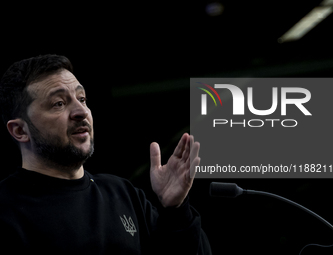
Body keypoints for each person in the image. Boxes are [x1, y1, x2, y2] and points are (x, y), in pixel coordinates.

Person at [0, 55, 212, 254]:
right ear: (20, 130)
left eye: (82, 99)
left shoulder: (122, 193)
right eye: (59, 104)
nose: (81, 111)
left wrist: (176, 209)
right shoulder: (6, 208)